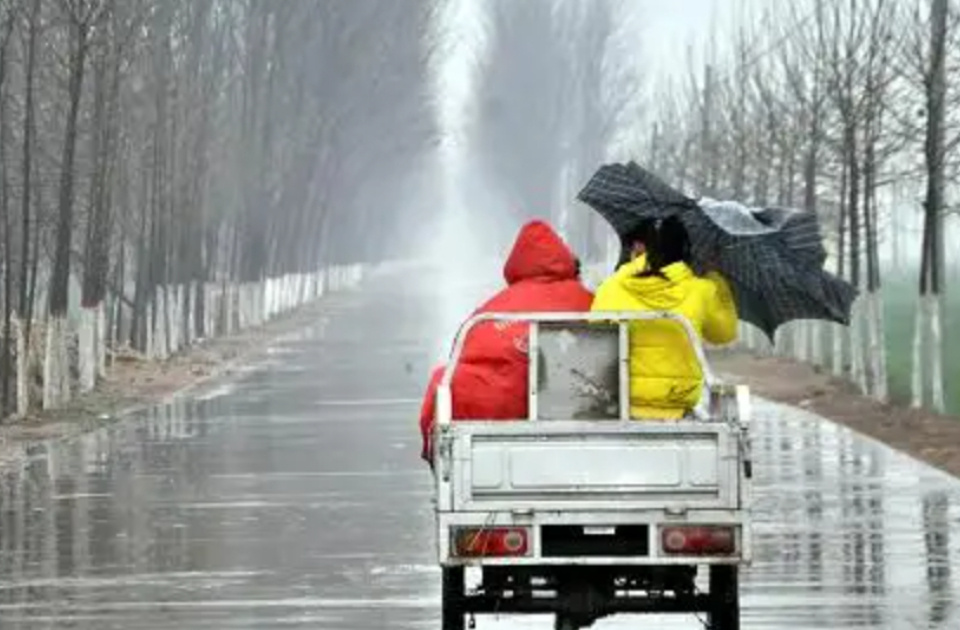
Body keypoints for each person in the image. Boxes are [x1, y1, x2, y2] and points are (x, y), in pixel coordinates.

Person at [419, 220, 594, 465]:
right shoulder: (589, 300)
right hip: (572, 406)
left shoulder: (489, 310)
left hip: (489, 413)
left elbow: (459, 357)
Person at [591, 216, 738, 419]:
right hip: (677, 405)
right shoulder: (701, 289)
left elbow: (593, 341)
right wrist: (716, 278)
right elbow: (724, 333)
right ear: (684, 249)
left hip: (623, 406)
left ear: (639, 248)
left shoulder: (610, 288)